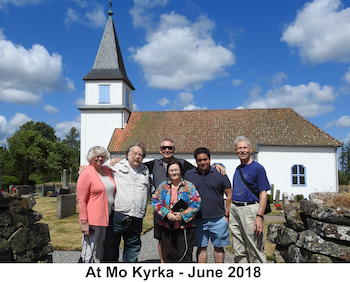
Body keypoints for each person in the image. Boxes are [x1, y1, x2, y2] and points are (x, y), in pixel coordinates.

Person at [110, 138, 225, 263]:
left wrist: (217, 165)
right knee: (164, 243)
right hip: (164, 218)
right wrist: (120, 161)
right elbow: (136, 164)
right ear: (160, 150)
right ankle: (164, 266)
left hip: (184, 222)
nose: (167, 150)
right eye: (164, 148)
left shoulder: (185, 172)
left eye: (169, 148)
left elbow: (201, 168)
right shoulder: (154, 166)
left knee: (184, 252)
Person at [103, 142, 151, 262]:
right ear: (127, 155)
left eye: (140, 155)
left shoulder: (145, 171)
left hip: (137, 217)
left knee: (133, 250)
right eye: (134, 153)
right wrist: (84, 167)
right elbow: (98, 170)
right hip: (118, 216)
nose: (137, 156)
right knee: (110, 249)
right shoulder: (115, 166)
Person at [184, 147, 232, 263]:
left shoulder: (220, 173)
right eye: (199, 160)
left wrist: (226, 216)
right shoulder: (189, 175)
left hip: (218, 218)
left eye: (205, 159)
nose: (202, 162)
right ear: (196, 161)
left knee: (219, 247)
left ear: (209, 159)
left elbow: (229, 194)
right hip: (198, 219)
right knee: (201, 248)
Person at [229, 136, 271, 263]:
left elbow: (263, 194)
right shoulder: (238, 169)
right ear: (235, 151)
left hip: (250, 209)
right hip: (235, 209)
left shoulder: (257, 168)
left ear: (250, 149)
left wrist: (259, 216)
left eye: (245, 148)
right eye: (239, 148)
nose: (242, 150)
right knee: (238, 247)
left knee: (255, 248)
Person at [152, 159, 201, 262]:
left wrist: (183, 215)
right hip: (167, 226)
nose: (174, 172)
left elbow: (196, 202)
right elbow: (155, 201)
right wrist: (167, 214)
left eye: (176, 170)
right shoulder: (163, 186)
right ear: (168, 172)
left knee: (185, 256)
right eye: (171, 170)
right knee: (170, 255)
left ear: (181, 170)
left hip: (185, 227)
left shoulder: (189, 186)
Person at [77, 146, 116, 263]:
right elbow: (81, 199)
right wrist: (84, 221)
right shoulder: (86, 173)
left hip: (107, 215)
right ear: (90, 158)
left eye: (102, 156)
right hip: (93, 218)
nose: (99, 159)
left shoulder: (106, 170)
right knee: (88, 248)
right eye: (96, 156)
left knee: (101, 247)